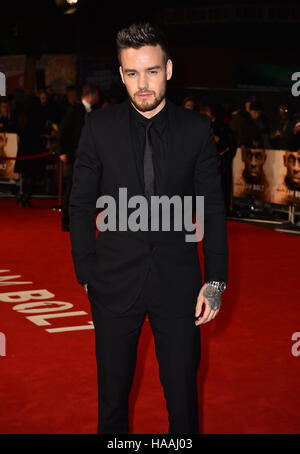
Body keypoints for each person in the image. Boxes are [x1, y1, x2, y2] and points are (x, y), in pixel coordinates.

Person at [69, 22, 228, 434]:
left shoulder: (196, 129)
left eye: (152, 71)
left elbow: (212, 207)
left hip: (180, 287)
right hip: (112, 282)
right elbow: (82, 202)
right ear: (122, 74)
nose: (143, 84)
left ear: (169, 70)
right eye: (133, 73)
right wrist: (85, 272)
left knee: (183, 401)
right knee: (113, 401)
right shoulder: (98, 128)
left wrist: (215, 280)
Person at [58, 83, 100, 231]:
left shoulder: (94, 111)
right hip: (73, 155)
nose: (99, 97)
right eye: (97, 94)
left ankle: (83, 220)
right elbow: (62, 130)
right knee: (72, 189)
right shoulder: (75, 109)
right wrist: (61, 152)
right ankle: (66, 221)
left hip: (88, 157)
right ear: (92, 94)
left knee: (87, 189)